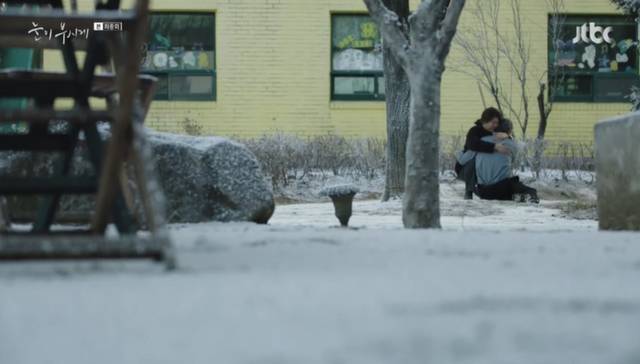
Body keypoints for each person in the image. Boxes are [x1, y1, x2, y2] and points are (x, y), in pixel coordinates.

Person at [474, 119, 539, 203]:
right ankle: (527, 197)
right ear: (508, 131)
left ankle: (511, 196)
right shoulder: (510, 144)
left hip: (481, 191)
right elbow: (515, 162)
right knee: (531, 191)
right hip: (500, 189)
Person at [455, 107, 511, 199]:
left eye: (497, 123)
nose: (495, 125)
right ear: (485, 120)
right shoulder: (475, 130)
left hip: (487, 165)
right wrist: (494, 147)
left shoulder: (497, 131)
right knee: (476, 159)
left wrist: (508, 136)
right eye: (493, 122)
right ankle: (469, 191)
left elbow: (509, 144)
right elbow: (473, 144)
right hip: (467, 164)